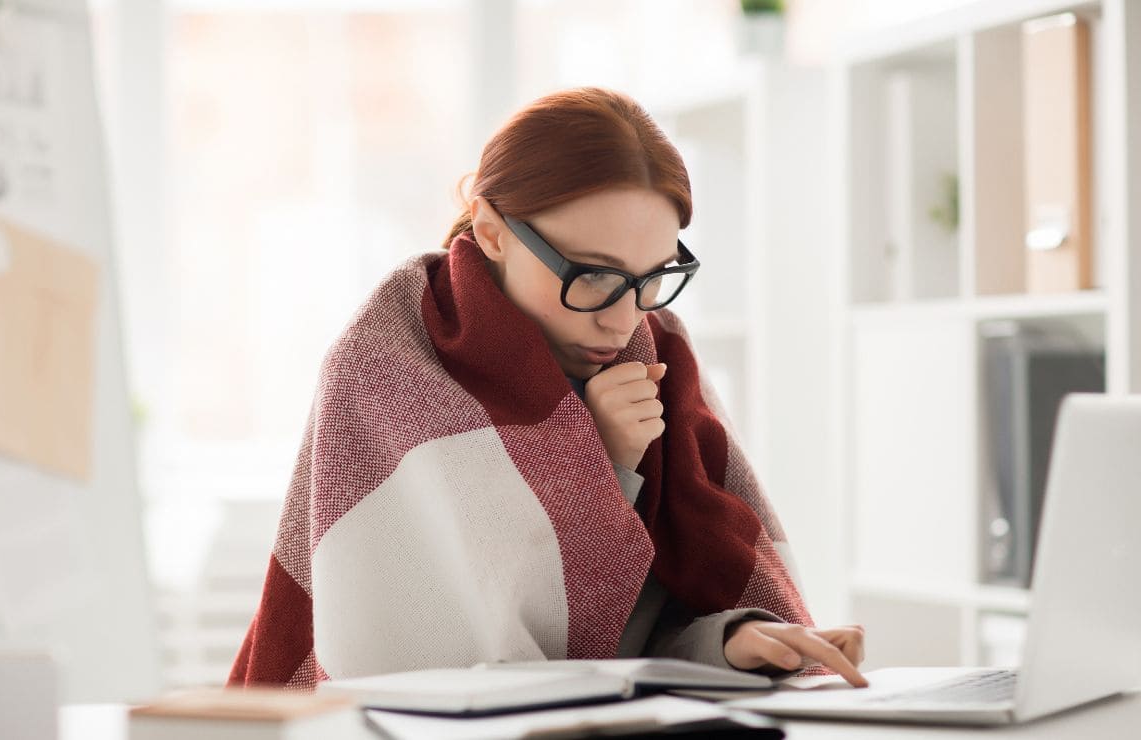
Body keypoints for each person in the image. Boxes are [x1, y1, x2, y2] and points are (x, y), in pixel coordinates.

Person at [228, 86, 866, 690]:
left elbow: (628, 643)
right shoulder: (388, 365)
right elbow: (468, 659)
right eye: (592, 275)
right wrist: (603, 460)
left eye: (653, 277)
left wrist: (735, 641)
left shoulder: (660, 353)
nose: (622, 318)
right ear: (492, 229)